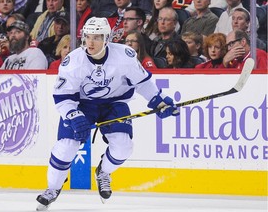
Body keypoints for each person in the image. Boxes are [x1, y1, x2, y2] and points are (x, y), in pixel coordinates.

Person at [35, 16, 179, 211]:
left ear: (107, 38)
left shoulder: (125, 56)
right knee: (66, 146)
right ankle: (52, 188)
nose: (91, 42)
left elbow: (143, 82)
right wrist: (73, 116)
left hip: (114, 104)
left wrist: (158, 100)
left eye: (97, 37)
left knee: (123, 146)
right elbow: (62, 96)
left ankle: (103, 172)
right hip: (82, 105)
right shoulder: (73, 61)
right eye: (88, 37)